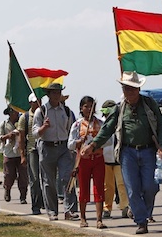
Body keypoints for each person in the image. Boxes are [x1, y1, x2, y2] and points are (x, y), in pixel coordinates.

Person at [81, 71, 162, 235]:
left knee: (151, 187)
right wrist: (93, 145)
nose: (129, 92)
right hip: (127, 152)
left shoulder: (149, 104)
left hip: (148, 150)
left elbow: (161, 126)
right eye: (126, 88)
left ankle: (143, 211)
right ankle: (141, 221)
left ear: (138, 89)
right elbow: (107, 129)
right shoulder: (119, 108)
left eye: (132, 89)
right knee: (132, 189)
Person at [32, 83, 78, 222]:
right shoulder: (41, 111)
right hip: (47, 147)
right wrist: (44, 128)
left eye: (58, 92)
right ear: (48, 94)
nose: (56, 95)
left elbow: (72, 129)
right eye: (53, 93)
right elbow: (35, 133)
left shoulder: (67, 110)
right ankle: (52, 211)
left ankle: (70, 210)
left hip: (64, 147)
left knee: (67, 178)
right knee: (48, 181)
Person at [68, 96, 110, 229]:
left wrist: (96, 143)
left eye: (91, 106)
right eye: (86, 106)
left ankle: (99, 219)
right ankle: (83, 218)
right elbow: (70, 144)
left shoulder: (101, 123)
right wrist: (78, 142)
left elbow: (108, 140)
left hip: (98, 159)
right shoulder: (77, 124)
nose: (89, 109)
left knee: (98, 188)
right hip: (83, 161)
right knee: (84, 189)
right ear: (81, 108)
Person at [99, 100, 129, 219]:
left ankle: (124, 207)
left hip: (119, 159)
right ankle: (107, 208)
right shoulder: (102, 124)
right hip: (105, 159)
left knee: (122, 184)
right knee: (108, 186)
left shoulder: (121, 122)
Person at [18, 93, 44, 215]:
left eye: (38, 101)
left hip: (45, 149)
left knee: (46, 178)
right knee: (34, 179)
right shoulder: (25, 117)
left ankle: (44, 201)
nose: (37, 103)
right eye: (34, 101)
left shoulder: (45, 114)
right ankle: (35, 205)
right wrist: (22, 155)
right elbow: (21, 138)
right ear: (30, 103)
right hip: (32, 150)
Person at [0, 106, 29, 204]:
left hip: (21, 153)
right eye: (14, 112)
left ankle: (23, 196)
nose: (16, 113)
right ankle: (7, 189)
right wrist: (8, 136)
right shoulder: (4, 124)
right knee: (9, 175)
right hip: (9, 153)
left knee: (23, 176)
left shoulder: (23, 122)